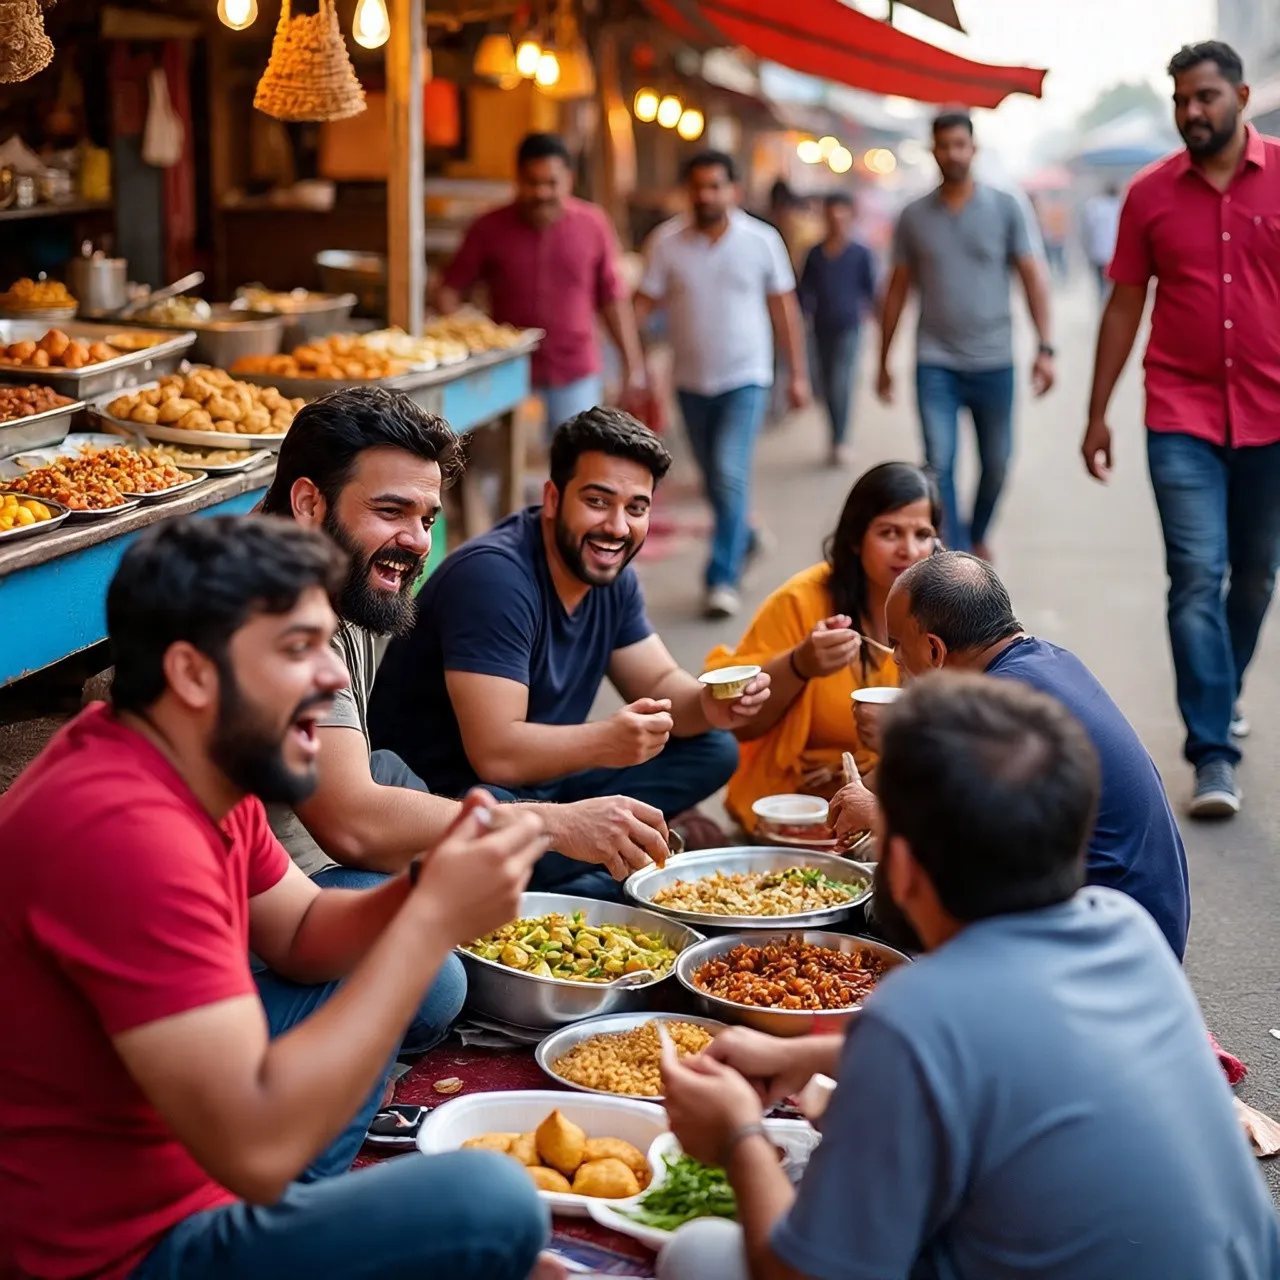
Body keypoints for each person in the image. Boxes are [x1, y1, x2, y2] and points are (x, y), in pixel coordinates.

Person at [0, 515, 555, 1280]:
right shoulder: (122, 832)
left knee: (414, 968)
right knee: (493, 1200)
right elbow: (256, 1153)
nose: (333, 678)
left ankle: (304, 1220)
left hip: (205, 1174)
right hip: (119, 1254)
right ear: (194, 673)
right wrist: (428, 922)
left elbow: (298, 929)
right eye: (298, 650)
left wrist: (429, 885)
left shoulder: (186, 755)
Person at [655, 674, 1280, 1280]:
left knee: (700, 1252)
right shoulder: (1127, 930)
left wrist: (737, 1136)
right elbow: (1009, 1051)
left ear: (899, 866)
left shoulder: (918, 1012)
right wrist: (809, 1054)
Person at [259, 388, 671, 904]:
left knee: (473, 831)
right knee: (443, 977)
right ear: (308, 503)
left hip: (346, 796)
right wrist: (550, 824)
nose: (418, 541)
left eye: (428, 519)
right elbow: (353, 824)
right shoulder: (279, 616)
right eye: (391, 511)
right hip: (280, 877)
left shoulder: (337, 564)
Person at [369, 407, 769, 900]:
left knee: (712, 746)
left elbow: (663, 686)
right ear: (553, 498)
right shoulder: (495, 578)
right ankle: (591, 876)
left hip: (543, 787)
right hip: (452, 802)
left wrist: (713, 704)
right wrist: (607, 741)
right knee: (501, 804)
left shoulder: (609, 571)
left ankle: (584, 868)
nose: (617, 528)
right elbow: (495, 755)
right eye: (598, 501)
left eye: (636, 508)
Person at [1082, 41, 1280, 819]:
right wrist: (1097, 410)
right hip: (1180, 414)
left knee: (1256, 575)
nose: (1191, 112)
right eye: (1181, 101)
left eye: (1204, 97)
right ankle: (1212, 751)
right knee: (1197, 573)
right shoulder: (1149, 193)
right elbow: (1125, 303)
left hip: (1273, 414)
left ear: (1239, 94)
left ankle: (1220, 689)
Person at [834, 551, 1189, 958]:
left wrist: (880, 809)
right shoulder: (1046, 661)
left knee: (889, 908)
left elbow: (971, 848)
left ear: (935, 649)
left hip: (1102, 950)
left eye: (897, 644)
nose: (895, 658)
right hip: (1148, 928)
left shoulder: (1001, 710)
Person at [704, 463, 939, 833]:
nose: (908, 550)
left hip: (895, 805)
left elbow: (966, 738)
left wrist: (899, 741)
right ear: (855, 539)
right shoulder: (800, 602)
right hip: (794, 810)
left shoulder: (945, 613)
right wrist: (800, 664)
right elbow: (739, 722)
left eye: (922, 534)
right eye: (889, 532)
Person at [635, 150, 811, 619]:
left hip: (746, 378)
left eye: (716, 186)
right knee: (714, 477)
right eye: (698, 186)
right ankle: (746, 538)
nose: (707, 195)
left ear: (733, 190)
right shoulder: (666, 243)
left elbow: (784, 310)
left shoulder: (762, 241)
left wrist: (797, 375)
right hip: (691, 381)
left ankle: (721, 577)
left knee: (730, 473)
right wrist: (631, 365)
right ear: (687, 191)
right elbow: (642, 305)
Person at [879, 111, 1055, 558]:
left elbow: (1032, 276)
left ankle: (977, 531)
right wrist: (883, 359)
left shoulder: (1005, 205)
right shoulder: (913, 216)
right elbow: (897, 289)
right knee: (939, 465)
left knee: (997, 463)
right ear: (933, 150)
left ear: (973, 149)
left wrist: (1045, 347)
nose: (953, 153)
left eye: (961, 144)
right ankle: (954, 553)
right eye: (944, 145)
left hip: (995, 360)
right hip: (935, 360)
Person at [436, 132, 645, 434]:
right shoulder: (488, 227)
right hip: (506, 376)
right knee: (503, 470)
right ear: (518, 180)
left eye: (551, 183)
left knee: (573, 467)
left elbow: (613, 299)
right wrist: (464, 334)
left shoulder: (594, 224)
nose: (541, 192)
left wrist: (633, 364)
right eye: (532, 183)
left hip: (576, 372)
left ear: (569, 180)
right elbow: (449, 289)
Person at [798, 192, 878, 466]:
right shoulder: (815, 254)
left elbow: (872, 291)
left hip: (850, 327)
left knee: (841, 384)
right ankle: (834, 434)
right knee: (824, 385)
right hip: (820, 328)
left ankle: (840, 439)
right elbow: (802, 291)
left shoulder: (861, 253)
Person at [1082, 182, 1122, 302]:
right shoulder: (1121, 205)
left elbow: (1088, 230)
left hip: (1098, 252)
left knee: (1101, 284)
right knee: (1114, 285)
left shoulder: (1095, 207)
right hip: (1115, 253)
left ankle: (1104, 304)